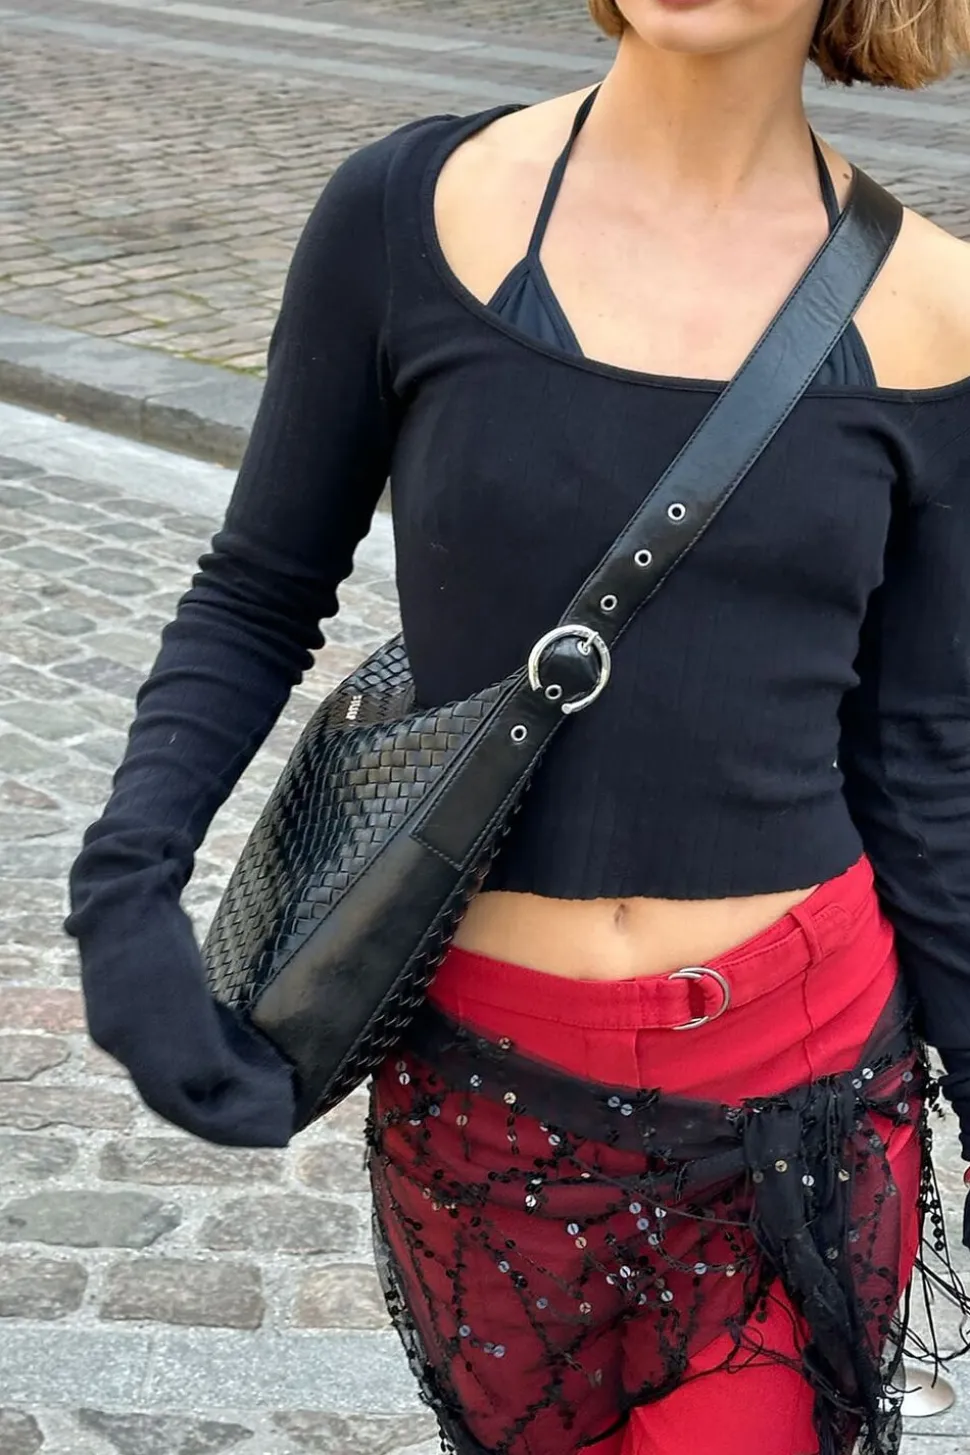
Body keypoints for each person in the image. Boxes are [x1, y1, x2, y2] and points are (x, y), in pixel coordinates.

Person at [66, 0, 970, 1451]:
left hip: (797, 1079)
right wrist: (124, 893)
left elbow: (921, 754)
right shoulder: (405, 213)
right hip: (486, 1094)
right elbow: (258, 590)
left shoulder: (936, 303)